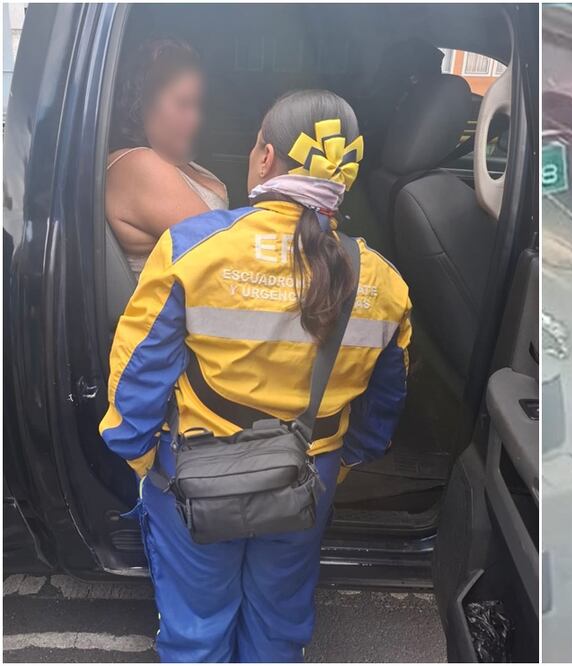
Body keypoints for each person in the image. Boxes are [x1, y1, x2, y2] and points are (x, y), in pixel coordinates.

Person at [99, 89, 412, 662]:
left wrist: (136, 452)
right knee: (278, 623)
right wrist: (344, 460)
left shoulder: (197, 249)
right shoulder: (385, 283)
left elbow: (139, 369)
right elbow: (385, 399)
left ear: (266, 157)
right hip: (308, 475)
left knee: (196, 628)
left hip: (195, 468)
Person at [106, 38, 228, 276]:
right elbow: (225, 252)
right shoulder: (139, 166)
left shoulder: (172, 160)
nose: (196, 118)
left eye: (198, 105)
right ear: (141, 104)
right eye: (183, 104)